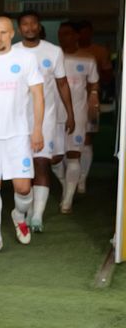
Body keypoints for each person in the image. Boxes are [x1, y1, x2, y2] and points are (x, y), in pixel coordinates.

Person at [0, 16, 44, 250]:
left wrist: (37, 129)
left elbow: (38, 95)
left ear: (12, 34)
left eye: (3, 32)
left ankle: (19, 216)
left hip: (18, 134)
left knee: (23, 188)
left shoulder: (26, 58)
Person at [13, 11, 74, 231]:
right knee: (22, 169)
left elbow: (63, 84)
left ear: (39, 26)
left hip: (45, 118)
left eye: (33, 24)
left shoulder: (53, 51)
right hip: (17, 120)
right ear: (19, 29)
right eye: (25, 25)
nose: (29, 28)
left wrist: (70, 113)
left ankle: (37, 216)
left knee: (41, 163)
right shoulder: (12, 53)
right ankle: (25, 210)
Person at [57, 21, 100, 212]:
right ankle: (67, 184)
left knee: (73, 155)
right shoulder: (53, 57)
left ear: (76, 36)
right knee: (55, 159)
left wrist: (93, 98)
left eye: (67, 33)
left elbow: (94, 84)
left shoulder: (88, 59)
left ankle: (67, 200)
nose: (62, 37)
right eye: (60, 33)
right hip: (54, 114)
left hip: (79, 113)